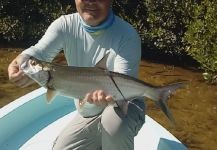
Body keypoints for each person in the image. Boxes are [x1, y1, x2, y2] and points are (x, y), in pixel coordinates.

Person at [8, 0, 145, 149]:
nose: (90, 2)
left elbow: (121, 86)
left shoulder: (127, 34)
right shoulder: (64, 25)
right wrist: (20, 61)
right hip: (89, 110)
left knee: (113, 122)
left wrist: (105, 95)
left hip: (126, 105)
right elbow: (39, 52)